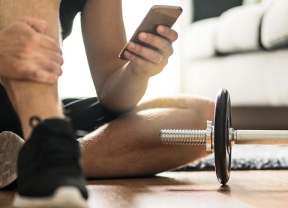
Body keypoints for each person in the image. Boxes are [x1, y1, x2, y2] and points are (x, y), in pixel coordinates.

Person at [0, 0, 214, 207]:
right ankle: (49, 160)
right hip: (36, 122)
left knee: (207, 121)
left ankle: (32, 160)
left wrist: (137, 72)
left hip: (18, 132)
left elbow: (112, 96)